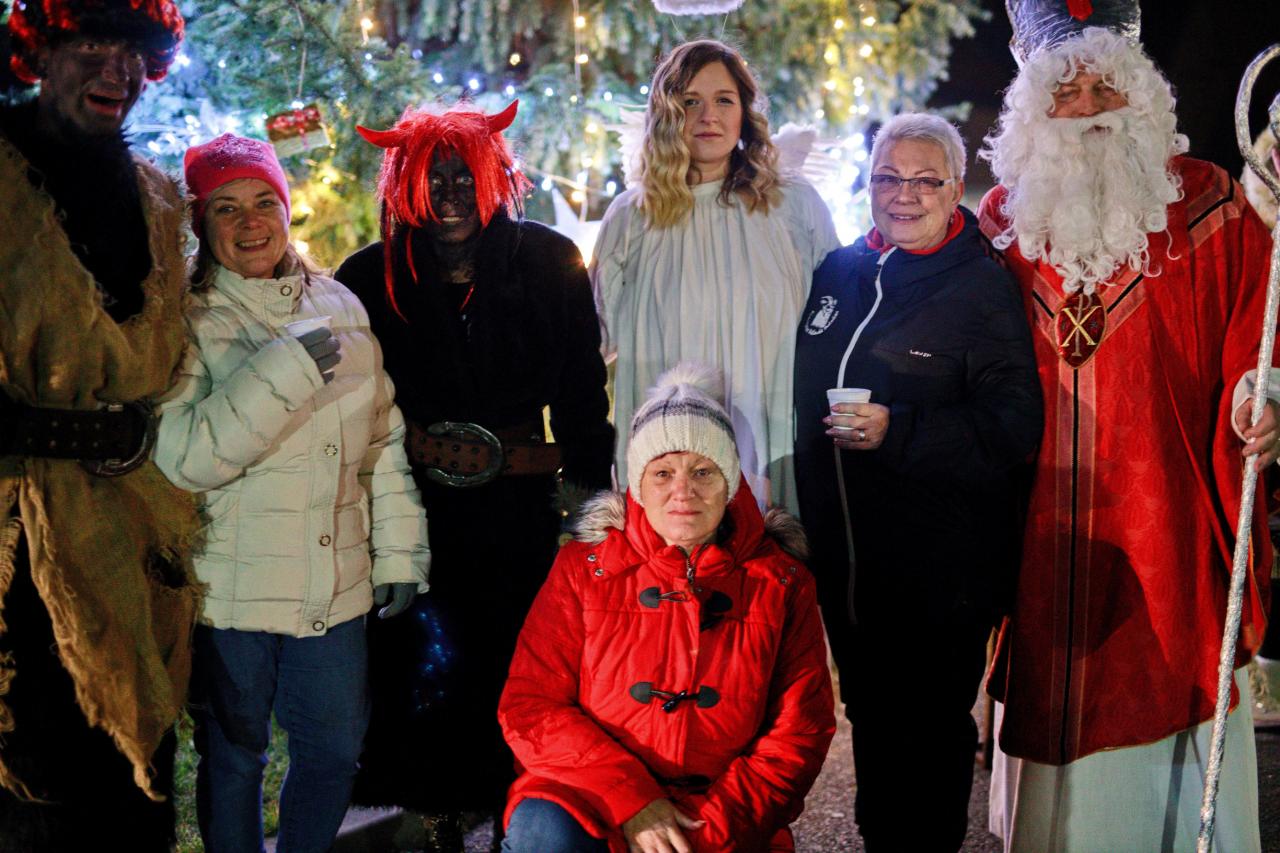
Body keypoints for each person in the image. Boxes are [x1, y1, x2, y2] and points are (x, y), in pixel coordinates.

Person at [977, 11, 1276, 849]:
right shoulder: (1000, 224)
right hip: (1044, 533)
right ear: (1034, 109)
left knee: (1176, 679)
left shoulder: (1211, 204)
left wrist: (1263, 394)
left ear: (1141, 95)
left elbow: (1260, 332)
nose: (1088, 105)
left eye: (1106, 84)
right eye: (1065, 90)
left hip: (1170, 529)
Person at [335, 101, 614, 849]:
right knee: (418, 669)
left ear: (492, 178)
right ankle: (433, 816)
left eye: (466, 176)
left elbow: (582, 397)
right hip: (410, 504)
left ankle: (517, 815)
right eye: (434, 180)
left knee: (518, 664)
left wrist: (588, 508)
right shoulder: (365, 276)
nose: (451, 194)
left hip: (521, 507)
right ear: (406, 187)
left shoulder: (551, 262)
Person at [154, 133, 430, 853]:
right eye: (226, 207)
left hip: (335, 586)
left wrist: (400, 553)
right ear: (201, 223)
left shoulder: (342, 305)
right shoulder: (188, 318)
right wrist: (283, 369)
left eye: (264, 202)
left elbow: (382, 444)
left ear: (285, 208)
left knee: (334, 751)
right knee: (234, 755)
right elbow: (183, 458)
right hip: (232, 593)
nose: (250, 223)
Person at [792, 112, 1042, 851]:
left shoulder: (980, 286)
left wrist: (897, 429)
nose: (904, 194)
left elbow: (1012, 426)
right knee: (872, 719)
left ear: (956, 187)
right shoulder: (838, 271)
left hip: (942, 573)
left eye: (925, 180)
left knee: (929, 731)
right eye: (888, 177)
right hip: (850, 567)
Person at [0, 1, 200, 848]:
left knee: (137, 753)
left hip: (133, 519)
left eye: (131, 51)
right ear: (41, 52)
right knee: (38, 772)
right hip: (20, 531)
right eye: (91, 45)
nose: (116, 69)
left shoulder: (156, 196)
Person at [499, 362, 835, 853]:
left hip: (719, 807)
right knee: (542, 836)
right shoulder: (582, 569)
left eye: (703, 471)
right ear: (638, 485)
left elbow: (798, 733)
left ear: (730, 482)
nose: (683, 491)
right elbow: (531, 706)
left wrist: (706, 834)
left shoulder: (781, 582)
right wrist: (632, 800)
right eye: (662, 473)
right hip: (589, 793)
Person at [591, 38, 839, 514]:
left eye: (724, 100)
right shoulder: (631, 217)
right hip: (667, 462)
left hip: (770, 442)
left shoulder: (794, 205)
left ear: (744, 111)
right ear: (667, 115)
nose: (709, 116)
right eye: (690, 102)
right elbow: (594, 338)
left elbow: (834, 325)